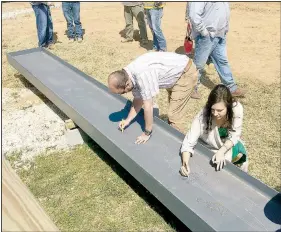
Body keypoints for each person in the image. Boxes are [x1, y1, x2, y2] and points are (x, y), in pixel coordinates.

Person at [108, 52, 198, 144]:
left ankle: (179, 146)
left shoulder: (141, 75)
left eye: (123, 92)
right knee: (173, 105)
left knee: (174, 116)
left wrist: (147, 132)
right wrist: (128, 120)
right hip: (174, 74)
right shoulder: (128, 76)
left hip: (184, 74)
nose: (125, 93)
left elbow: (148, 107)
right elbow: (138, 100)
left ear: (127, 84)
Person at [180, 84, 248, 177]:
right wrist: (185, 163)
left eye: (220, 110)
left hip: (227, 145)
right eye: (213, 110)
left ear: (228, 107)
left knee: (242, 160)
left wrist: (221, 151)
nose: (215, 113)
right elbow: (189, 142)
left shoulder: (236, 109)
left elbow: (235, 135)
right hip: (208, 146)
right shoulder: (203, 115)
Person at [187, 2, 246, 99]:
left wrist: (225, 29)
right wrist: (204, 32)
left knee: (222, 61)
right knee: (199, 64)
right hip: (207, 35)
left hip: (220, 34)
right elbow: (194, 14)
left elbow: (224, 10)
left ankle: (231, 88)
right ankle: (191, 89)